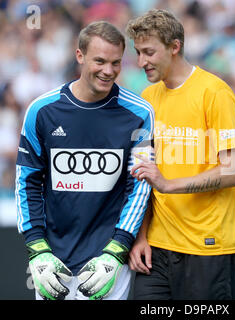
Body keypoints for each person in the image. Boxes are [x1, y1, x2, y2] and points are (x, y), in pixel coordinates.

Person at [15, 21, 154, 300]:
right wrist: (37, 249)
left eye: (116, 63)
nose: (108, 71)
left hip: (108, 261)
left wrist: (117, 250)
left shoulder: (140, 113)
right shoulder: (41, 111)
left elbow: (139, 187)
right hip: (52, 261)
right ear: (80, 56)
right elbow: (25, 181)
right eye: (100, 61)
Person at [126, 9, 235, 300]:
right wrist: (141, 237)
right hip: (157, 250)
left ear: (175, 46)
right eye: (138, 53)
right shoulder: (147, 99)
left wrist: (169, 184)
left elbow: (233, 170)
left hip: (207, 248)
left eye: (149, 52)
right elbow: (142, 174)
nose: (142, 62)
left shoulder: (215, 93)